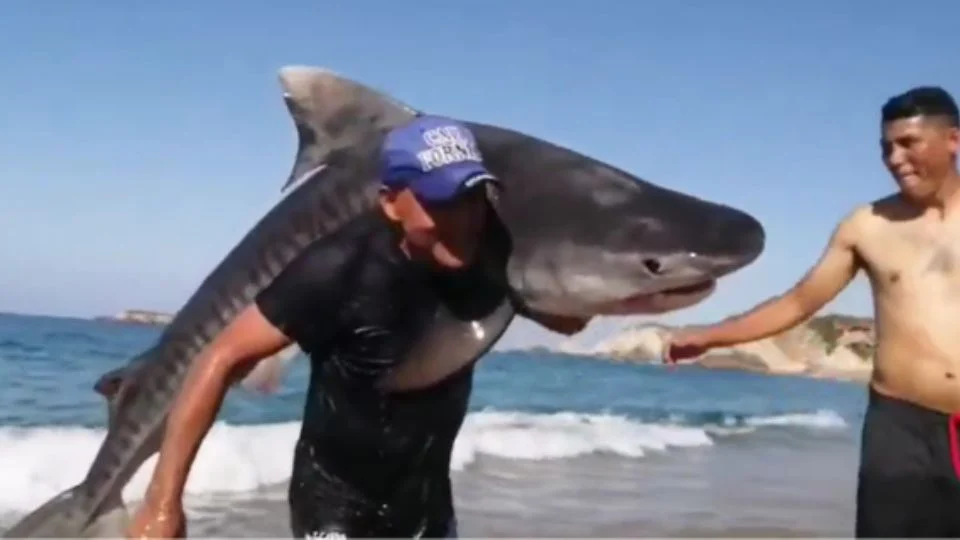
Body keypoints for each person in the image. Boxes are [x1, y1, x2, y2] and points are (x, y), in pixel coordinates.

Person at [125, 115, 591, 539]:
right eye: (441, 202)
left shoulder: (486, 259)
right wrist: (161, 503)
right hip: (336, 506)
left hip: (428, 510)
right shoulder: (337, 269)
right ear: (391, 203)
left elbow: (566, 320)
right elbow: (221, 356)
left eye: (472, 198)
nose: (463, 219)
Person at [665, 86, 960, 537]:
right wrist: (711, 336)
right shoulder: (867, 226)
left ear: (952, 140)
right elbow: (801, 301)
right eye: (886, 148)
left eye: (908, 144)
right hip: (900, 424)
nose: (894, 159)